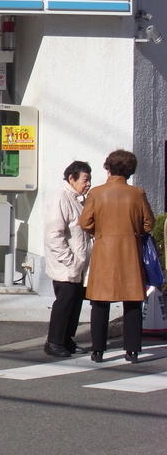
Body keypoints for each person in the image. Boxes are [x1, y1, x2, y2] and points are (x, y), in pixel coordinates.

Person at [79, 149, 155, 363]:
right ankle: (132, 350)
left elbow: (85, 222)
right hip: (130, 251)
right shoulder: (137, 193)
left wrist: (99, 232)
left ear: (108, 167)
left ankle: (98, 349)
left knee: (100, 302)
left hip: (104, 252)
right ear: (130, 171)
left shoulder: (96, 193)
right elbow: (149, 223)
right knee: (132, 302)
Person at [43, 160, 92, 357]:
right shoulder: (61, 198)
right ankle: (54, 341)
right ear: (71, 179)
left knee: (75, 302)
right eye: (85, 179)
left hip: (78, 264)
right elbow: (54, 235)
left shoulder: (77, 199)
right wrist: (70, 260)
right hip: (66, 265)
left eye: (89, 180)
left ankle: (66, 340)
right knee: (64, 302)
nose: (88, 184)